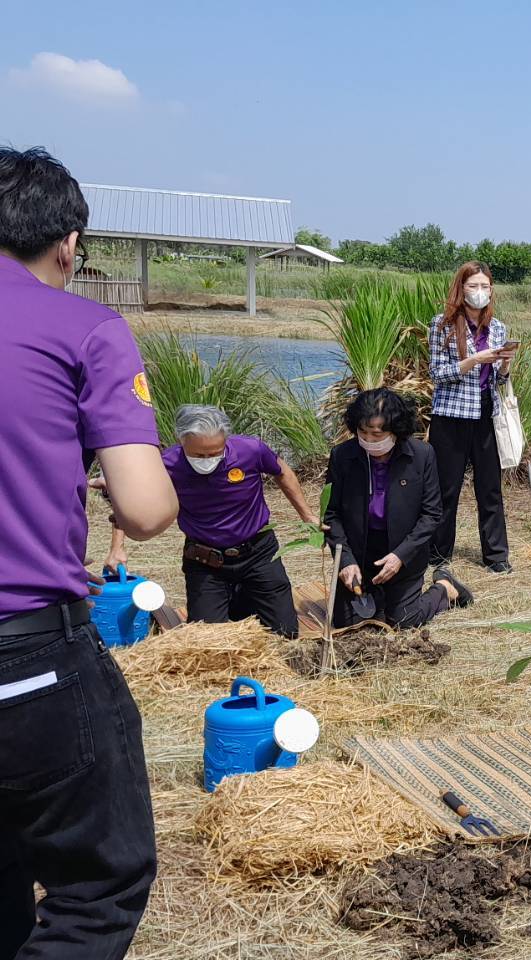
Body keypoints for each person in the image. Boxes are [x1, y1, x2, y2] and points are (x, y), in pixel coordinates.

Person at [0, 146, 177, 959]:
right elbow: (144, 511)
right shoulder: (86, 328)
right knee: (98, 886)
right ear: (68, 241)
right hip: (28, 658)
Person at [104, 405, 319, 638]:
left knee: (285, 633)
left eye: (215, 452)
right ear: (182, 441)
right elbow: (128, 502)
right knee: (207, 640)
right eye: (199, 455)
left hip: (259, 554)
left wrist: (307, 515)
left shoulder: (251, 450)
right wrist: (117, 547)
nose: (207, 460)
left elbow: (282, 472)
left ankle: (246, 601)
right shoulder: (165, 466)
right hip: (206, 561)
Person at [325, 389, 472, 628]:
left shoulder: (422, 455)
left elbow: (432, 513)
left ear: (396, 431)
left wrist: (400, 556)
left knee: (403, 620)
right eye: (363, 433)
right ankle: (377, 594)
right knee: (346, 624)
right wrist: (345, 560)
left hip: (404, 552)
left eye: (377, 434)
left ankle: (445, 589)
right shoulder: (343, 455)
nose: (369, 441)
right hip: (360, 552)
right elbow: (331, 514)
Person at [427, 261, 514, 574]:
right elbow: (437, 373)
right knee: (446, 488)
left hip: (485, 415)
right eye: (473, 286)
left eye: (485, 286)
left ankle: (496, 557)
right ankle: (438, 554)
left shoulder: (498, 328)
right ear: (460, 288)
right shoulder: (442, 325)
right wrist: (473, 360)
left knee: (490, 489)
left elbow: (499, 382)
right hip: (451, 417)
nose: (480, 292)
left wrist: (504, 364)